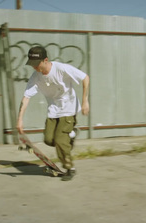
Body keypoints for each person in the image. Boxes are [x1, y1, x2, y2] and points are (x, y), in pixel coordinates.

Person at [17, 46, 90, 181]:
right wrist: (19, 120)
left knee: (60, 141)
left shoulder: (61, 69)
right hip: (54, 110)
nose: (34, 67)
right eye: (32, 65)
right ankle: (71, 134)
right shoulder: (36, 77)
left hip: (69, 109)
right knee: (49, 140)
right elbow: (26, 97)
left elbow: (85, 78)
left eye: (36, 64)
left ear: (46, 60)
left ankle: (69, 168)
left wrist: (85, 101)